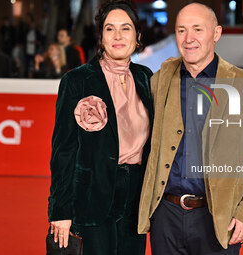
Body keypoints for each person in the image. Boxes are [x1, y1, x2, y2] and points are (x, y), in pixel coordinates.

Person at [138, 3, 243, 255]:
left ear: (216, 34)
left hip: (218, 218)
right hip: (165, 218)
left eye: (197, 29)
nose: (188, 38)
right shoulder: (160, 80)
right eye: (181, 30)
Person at [48, 1, 153, 255]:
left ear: (137, 37)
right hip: (91, 197)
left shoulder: (146, 77)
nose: (118, 36)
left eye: (125, 28)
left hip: (136, 199)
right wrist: (60, 211)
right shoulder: (77, 80)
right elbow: (63, 152)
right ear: (101, 36)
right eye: (110, 29)